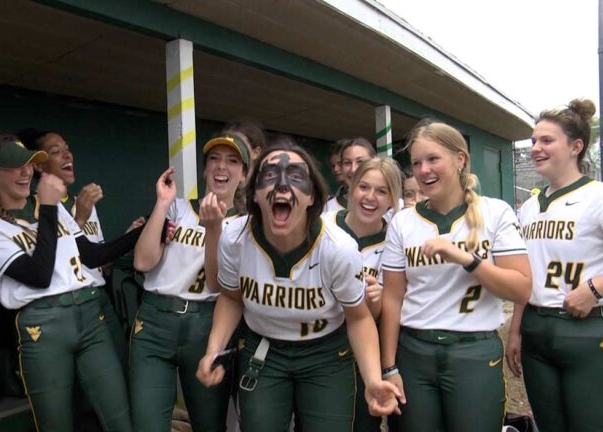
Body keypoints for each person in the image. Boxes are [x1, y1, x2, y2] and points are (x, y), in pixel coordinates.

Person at [196, 136, 400, 431]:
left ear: (312, 196)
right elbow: (230, 297)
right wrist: (214, 350)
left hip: (326, 354)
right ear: (253, 193)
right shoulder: (233, 236)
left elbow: (358, 317)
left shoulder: (337, 247)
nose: (282, 186)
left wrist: (371, 380)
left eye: (295, 177)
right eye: (269, 176)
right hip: (264, 349)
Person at [0, 134, 142, 431]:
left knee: (120, 418)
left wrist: (143, 231)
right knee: (56, 424)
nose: (26, 172)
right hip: (43, 325)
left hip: (90, 314)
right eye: (15, 165)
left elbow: (90, 255)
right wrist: (48, 207)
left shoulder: (52, 207)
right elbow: (39, 275)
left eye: (28, 164)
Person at [379, 120, 531, 432]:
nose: (423, 170)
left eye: (433, 159)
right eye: (417, 162)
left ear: (460, 159)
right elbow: (392, 299)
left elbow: (521, 288)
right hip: (414, 352)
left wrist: (466, 258)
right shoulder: (403, 222)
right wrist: (389, 366)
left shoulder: (495, 212)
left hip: (473, 351)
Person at [130, 133, 250, 432]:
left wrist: (213, 229)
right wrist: (162, 203)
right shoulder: (178, 208)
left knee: (209, 424)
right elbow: (142, 262)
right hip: (154, 319)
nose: (222, 167)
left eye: (232, 161)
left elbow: (216, 283)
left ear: (244, 174)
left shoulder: (247, 225)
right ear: (205, 168)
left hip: (205, 323)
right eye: (214, 159)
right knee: (147, 423)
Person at [506, 98, 603, 432]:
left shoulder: (597, 195)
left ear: (576, 146)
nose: (536, 148)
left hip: (585, 329)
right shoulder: (530, 207)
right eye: (533, 141)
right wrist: (515, 330)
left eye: (547, 140)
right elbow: (525, 273)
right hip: (535, 328)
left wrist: (594, 288)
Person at [17, 128, 143, 364]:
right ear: (39, 166)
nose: (67, 156)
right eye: (56, 152)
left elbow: (99, 261)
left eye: (67, 149)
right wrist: (80, 219)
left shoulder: (83, 202)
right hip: (66, 305)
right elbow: (49, 264)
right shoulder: (36, 207)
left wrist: (128, 236)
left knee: (119, 365)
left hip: (99, 298)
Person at [329, 157, 402, 431]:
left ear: (392, 199)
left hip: (367, 351)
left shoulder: (396, 239)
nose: (370, 197)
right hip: (320, 346)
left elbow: (383, 311)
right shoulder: (324, 225)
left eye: (382, 191)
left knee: (364, 423)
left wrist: (376, 301)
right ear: (351, 188)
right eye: (364, 187)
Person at [323, 137, 376, 212]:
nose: (353, 169)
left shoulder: (395, 209)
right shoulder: (327, 210)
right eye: (347, 163)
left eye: (360, 161)